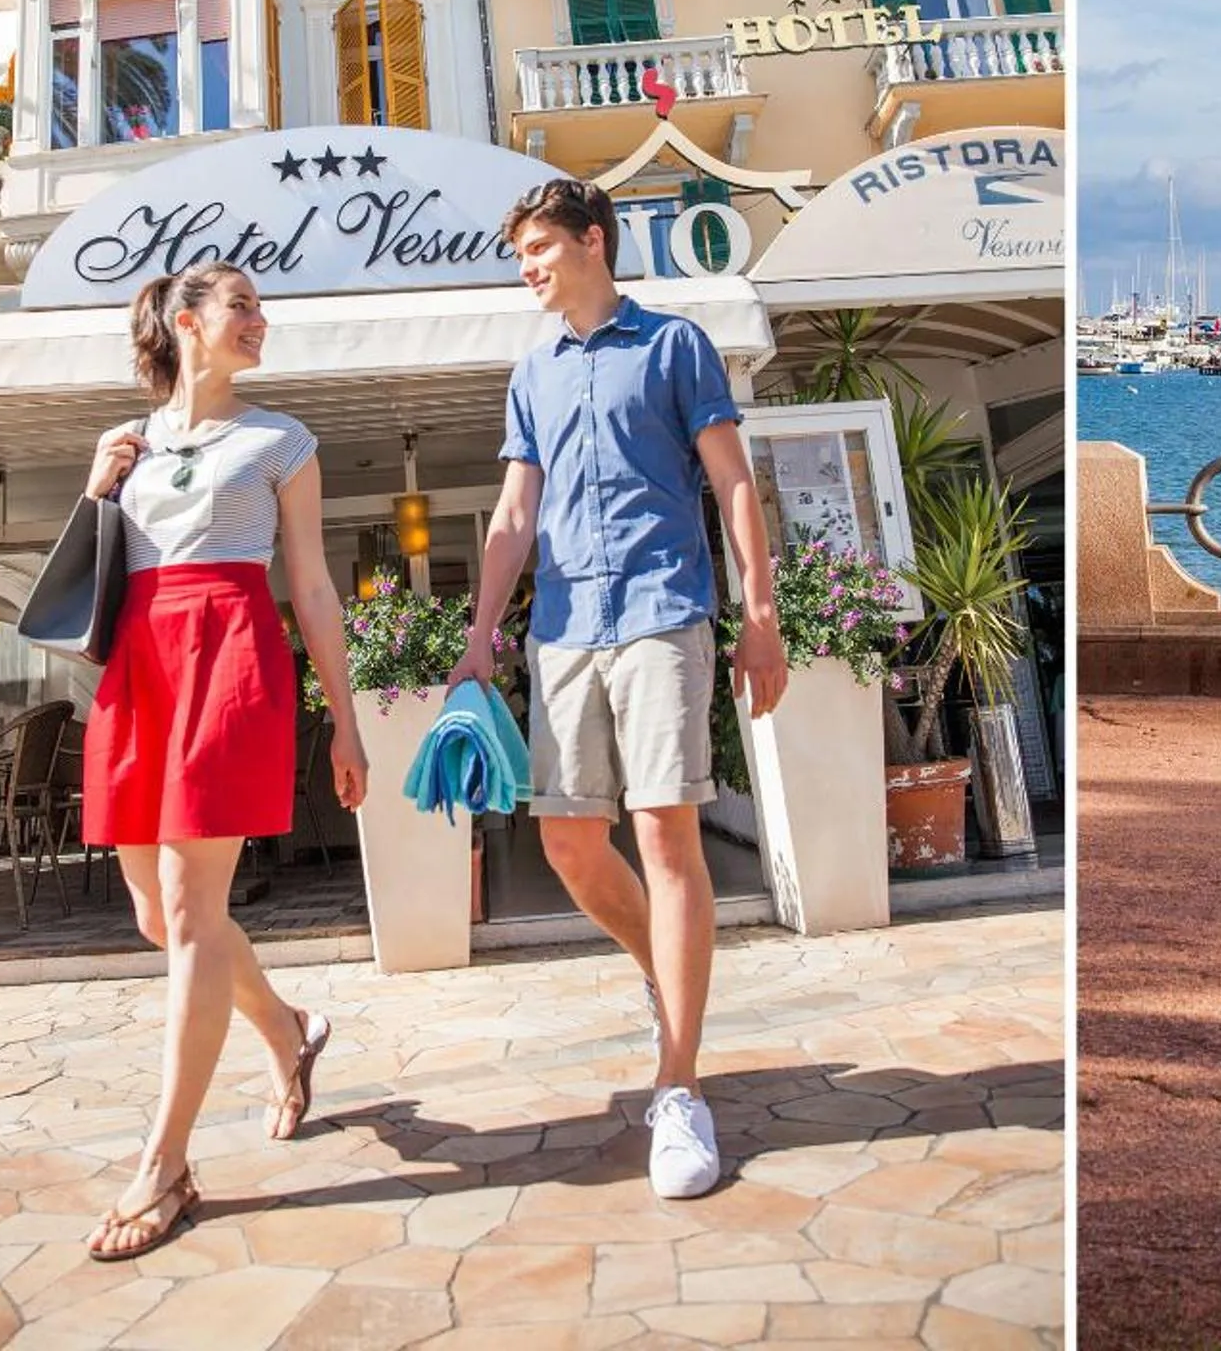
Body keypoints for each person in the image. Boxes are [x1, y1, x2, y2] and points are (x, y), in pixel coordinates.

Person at [450, 177, 786, 1201]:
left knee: (663, 831)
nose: (529, 269)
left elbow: (731, 479)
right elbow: (513, 516)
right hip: (561, 628)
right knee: (563, 841)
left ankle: (678, 1089)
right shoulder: (532, 373)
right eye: (521, 257)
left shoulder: (674, 346)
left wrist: (758, 615)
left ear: (593, 240)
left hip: (663, 606)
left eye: (541, 249)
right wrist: (478, 637)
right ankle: (664, 972)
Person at [78, 259, 370, 1261]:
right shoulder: (126, 445)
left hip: (229, 654)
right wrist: (96, 488)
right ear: (185, 321)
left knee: (195, 912)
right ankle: (289, 1029)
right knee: (159, 917)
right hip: (137, 665)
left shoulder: (282, 440)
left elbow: (314, 589)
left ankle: (166, 1163)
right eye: (240, 306)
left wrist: (346, 716)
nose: (260, 320)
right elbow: (92, 572)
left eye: (258, 306)